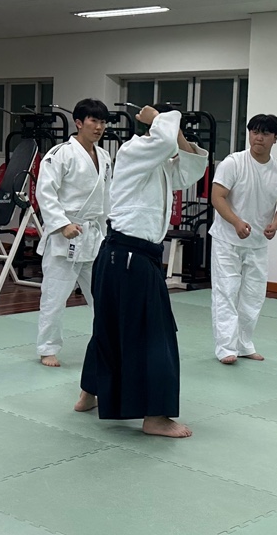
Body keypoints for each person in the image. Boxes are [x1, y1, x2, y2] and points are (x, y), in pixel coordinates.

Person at [77, 104, 208, 437]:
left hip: (123, 257)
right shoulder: (134, 150)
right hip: (130, 257)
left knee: (109, 327)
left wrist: (175, 130)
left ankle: (89, 392)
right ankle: (155, 416)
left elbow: (191, 170)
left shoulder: (159, 162)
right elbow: (163, 141)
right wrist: (159, 118)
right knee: (154, 336)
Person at [209, 113, 277, 365]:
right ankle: (226, 348)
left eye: (265, 133)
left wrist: (275, 225)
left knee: (253, 295)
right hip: (227, 240)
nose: (259, 138)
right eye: (255, 132)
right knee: (226, 292)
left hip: (257, 243)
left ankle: (244, 344)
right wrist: (235, 222)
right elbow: (217, 197)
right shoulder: (233, 163)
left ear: (275, 138)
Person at [34, 98, 113, 367]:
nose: (99, 127)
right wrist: (61, 224)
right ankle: (47, 348)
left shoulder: (104, 157)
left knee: (103, 297)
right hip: (64, 236)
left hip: (94, 236)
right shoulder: (60, 154)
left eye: (103, 122)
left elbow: (106, 198)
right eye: (94, 121)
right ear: (79, 123)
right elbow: (45, 192)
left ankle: (110, 344)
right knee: (55, 297)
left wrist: (108, 230)